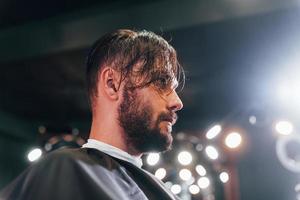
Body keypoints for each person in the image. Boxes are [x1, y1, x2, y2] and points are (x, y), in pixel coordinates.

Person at [0, 29, 184, 200]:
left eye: (174, 88)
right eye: (161, 82)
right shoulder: (63, 171)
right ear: (112, 84)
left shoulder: (165, 193)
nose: (177, 102)